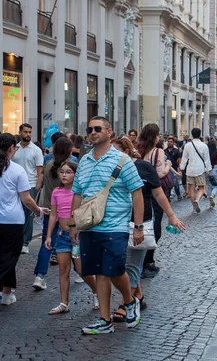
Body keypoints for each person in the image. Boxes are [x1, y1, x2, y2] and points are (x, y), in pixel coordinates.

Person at [68, 116, 145, 334]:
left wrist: (138, 226)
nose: (92, 132)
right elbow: (78, 193)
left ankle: (130, 301)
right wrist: (73, 223)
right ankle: (105, 320)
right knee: (99, 272)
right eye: (89, 129)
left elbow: (137, 194)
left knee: (114, 270)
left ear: (109, 132)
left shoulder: (123, 160)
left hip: (115, 226)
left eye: (97, 128)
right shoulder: (84, 161)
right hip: (89, 227)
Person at [110, 136, 185, 322]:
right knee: (120, 264)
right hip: (115, 222)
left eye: (114, 151)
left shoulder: (144, 167)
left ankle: (125, 303)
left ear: (126, 151)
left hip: (141, 223)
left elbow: (158, 194)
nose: (110, 155)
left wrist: (172, 216)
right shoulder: (110, 168)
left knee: (131, 265)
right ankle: (139, 297)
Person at [45, 161, 98, 314]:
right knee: (63, 269)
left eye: (68, 172)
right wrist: (48, 236)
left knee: (81, 270)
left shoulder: (79, 193)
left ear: (76, 174)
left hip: (78, 236)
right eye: (62, 172)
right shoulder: (56, 192)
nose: (64, 175)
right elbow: (53, 214)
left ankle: (96, 292)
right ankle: (64, 303)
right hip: (62, 235)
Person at [0, 133, 45, 306]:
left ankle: (7, 294)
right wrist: (39, 211)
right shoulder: (17, 170)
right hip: (12, 221)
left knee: (6, 257)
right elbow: (26, 199)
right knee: (9, 258)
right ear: (12, 148)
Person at [33, 137, 77, 290]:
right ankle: (80, 272)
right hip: (67, 213)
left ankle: (39, 275)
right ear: (68, 151)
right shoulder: (72, 167)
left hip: (49, 210)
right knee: (74, 242)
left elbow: (40, 185)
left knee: (47, 242)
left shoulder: (48, 165)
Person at [135, 124, 173, 278]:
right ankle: (148, 261)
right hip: (154, 191)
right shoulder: (158, 151)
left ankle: (141, 261)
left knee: (142, 224)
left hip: (139, 191)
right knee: (155, 227)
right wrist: (168, 165)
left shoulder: (137, 150)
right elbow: (160, 174)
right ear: (155, 136)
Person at [12, 123, 44, 254]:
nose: (28, 135)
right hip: (14, 185)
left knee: (27, 214)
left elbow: (39, 170)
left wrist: (37, 187)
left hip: (30, 184)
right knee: (15, 213)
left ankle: (25, 242)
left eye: (30, 132)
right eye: (25, 132)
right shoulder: (15, 149)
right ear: (20, 132)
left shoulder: (36, 150)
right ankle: (16, 240)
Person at [179, 128, 212, 214]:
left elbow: (184, 158)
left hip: (190, 169)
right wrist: (210, 170)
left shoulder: (187, 145)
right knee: (201, 187)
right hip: (200, 169)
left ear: (192, 134)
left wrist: (181, 169)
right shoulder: (204, 146)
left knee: (191, 189)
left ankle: (194, 207)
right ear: (200, 134)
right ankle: (197, 200)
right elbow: (207, 160)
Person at [164, 136, 183, 201]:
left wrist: (179, 168)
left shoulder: (176, 151)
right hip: (166, 169)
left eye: (171, 142)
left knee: (175, 183)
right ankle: (168, 196)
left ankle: (178, 195)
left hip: (174, 169)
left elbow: (179, 160)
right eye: (168, 142)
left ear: (173, 143)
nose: (169, 143)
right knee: (168, 183)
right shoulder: (164, 151)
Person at [207, 139, 217, 208]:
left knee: (209, 185)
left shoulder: (206, 152)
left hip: (207, 169)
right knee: (215, 186)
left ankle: (210, 204)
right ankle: (212, 195)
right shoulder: (216, 152)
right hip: (214, 168)